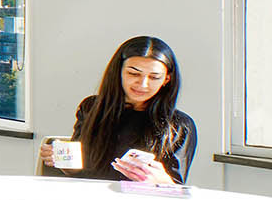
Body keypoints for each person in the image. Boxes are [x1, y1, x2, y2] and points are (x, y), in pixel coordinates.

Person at [40, 35, 196, 184]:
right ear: (119, 71)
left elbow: (177, 190)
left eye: (154, 77)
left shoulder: (179, 126)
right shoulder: (91, 107)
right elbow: (82, 172)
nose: (142, 84)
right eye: (133, 73)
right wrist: (61, 159)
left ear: (166, 79)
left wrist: (162, 181)